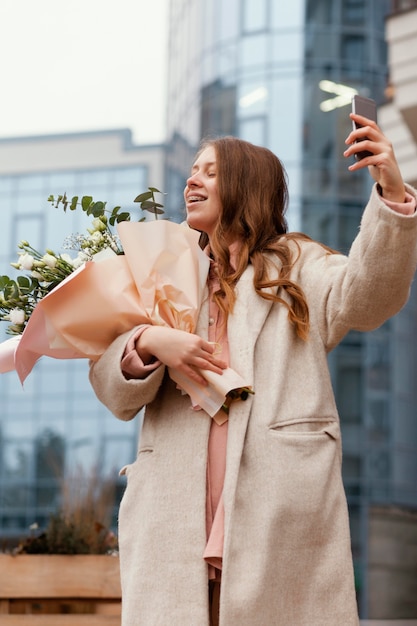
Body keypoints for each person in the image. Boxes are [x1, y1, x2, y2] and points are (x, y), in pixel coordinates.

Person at [89, 113, 417, 626]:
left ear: (247, 186)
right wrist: (149, 340)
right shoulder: (162, 272)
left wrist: (393, 193)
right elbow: (113, 392)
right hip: (175, 514)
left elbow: (369, 297)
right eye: (192, 170)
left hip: (277, 511)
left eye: (211, 172)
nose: (192, 180)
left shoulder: (296, 266)